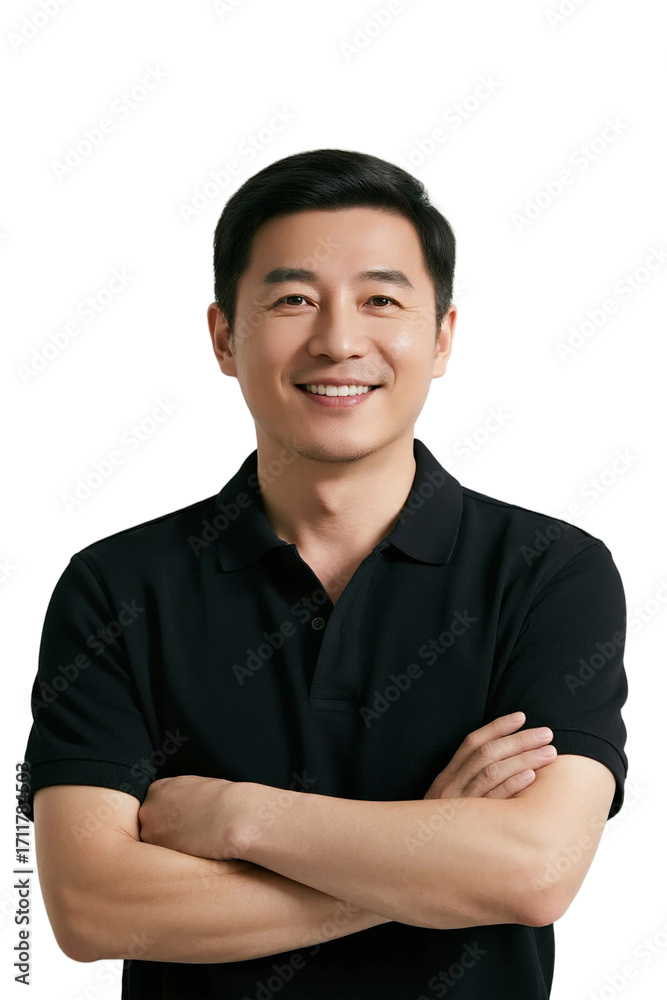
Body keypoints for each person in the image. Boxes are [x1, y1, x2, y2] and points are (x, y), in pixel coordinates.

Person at [21, 149, 628, 1000]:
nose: (339, 341)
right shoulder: (116, 586)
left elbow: (533, 872)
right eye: (293, 300)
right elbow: (90, 908)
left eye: (381, 300)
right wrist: (433, 852)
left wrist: (238, 818)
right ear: (224, 337)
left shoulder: (548, 572)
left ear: (442, 336)